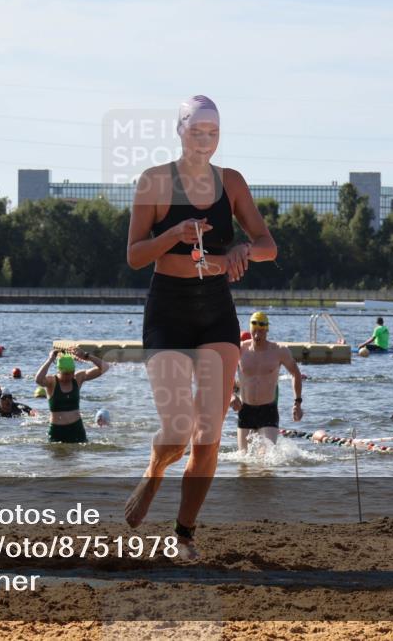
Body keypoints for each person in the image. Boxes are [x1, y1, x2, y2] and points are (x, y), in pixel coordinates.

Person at [123, 94, 276, 553]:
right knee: (176, 430)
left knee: (208, 434)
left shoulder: (231, 183)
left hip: (215, 309)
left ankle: (184, 532)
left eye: (213, 133)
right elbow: (134, 256)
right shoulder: (154, 182)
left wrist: (242, 250)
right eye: (197, 132)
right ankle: (154, 473)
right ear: (180, 131)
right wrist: (172, 234)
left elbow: (268, 243)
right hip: (167, 310)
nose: (205, 141)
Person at [230, 311, 303, 453]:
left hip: (268, 410)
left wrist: (297, 403)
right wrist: (231, 396)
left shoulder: (279, 351)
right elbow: (225, 374)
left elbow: (296, 373)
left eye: (261, 332)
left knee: (268, 458)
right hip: (245, 410)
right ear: (250, 330)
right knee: (243, 459)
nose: (257, 336)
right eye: (254, 332)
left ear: (267, 330)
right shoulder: (240, 350)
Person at [35, 348, 107, 443]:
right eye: (65, 374)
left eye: (71, 373)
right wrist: (50, 360)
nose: (69, 376)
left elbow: (105, 367)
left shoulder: (77, 378)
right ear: (59, 371)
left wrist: (86, 356)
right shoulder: (51, 382)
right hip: (57, 430)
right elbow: (38, 379)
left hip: (76, 429)